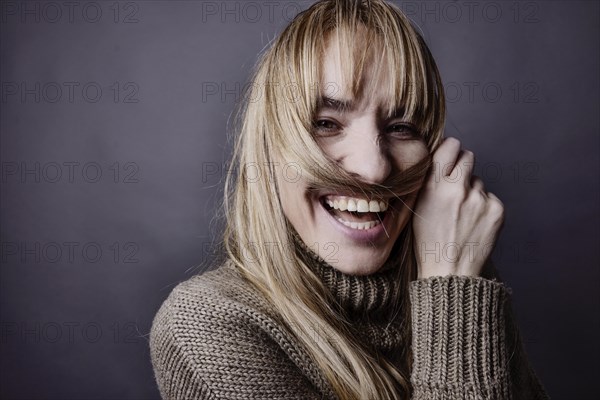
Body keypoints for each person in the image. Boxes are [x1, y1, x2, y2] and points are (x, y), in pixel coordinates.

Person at [149, 0, 549, 398]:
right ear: (269, 146)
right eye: (327, 123)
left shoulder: (457, 269)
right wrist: (453, 293)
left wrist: (455, 284)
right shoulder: (210, 325)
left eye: (402, 126)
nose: (374, 169)